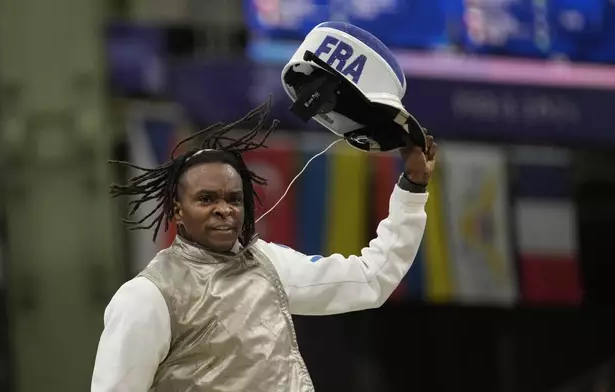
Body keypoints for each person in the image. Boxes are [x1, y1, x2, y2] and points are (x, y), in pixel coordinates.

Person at [90, 98, 437, 391]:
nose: (223, 210)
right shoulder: (149, 296)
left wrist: (413, 186)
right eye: (206, 199)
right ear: (178, 211)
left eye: (233, 199)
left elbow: (371, 279)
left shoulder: (267, 264)